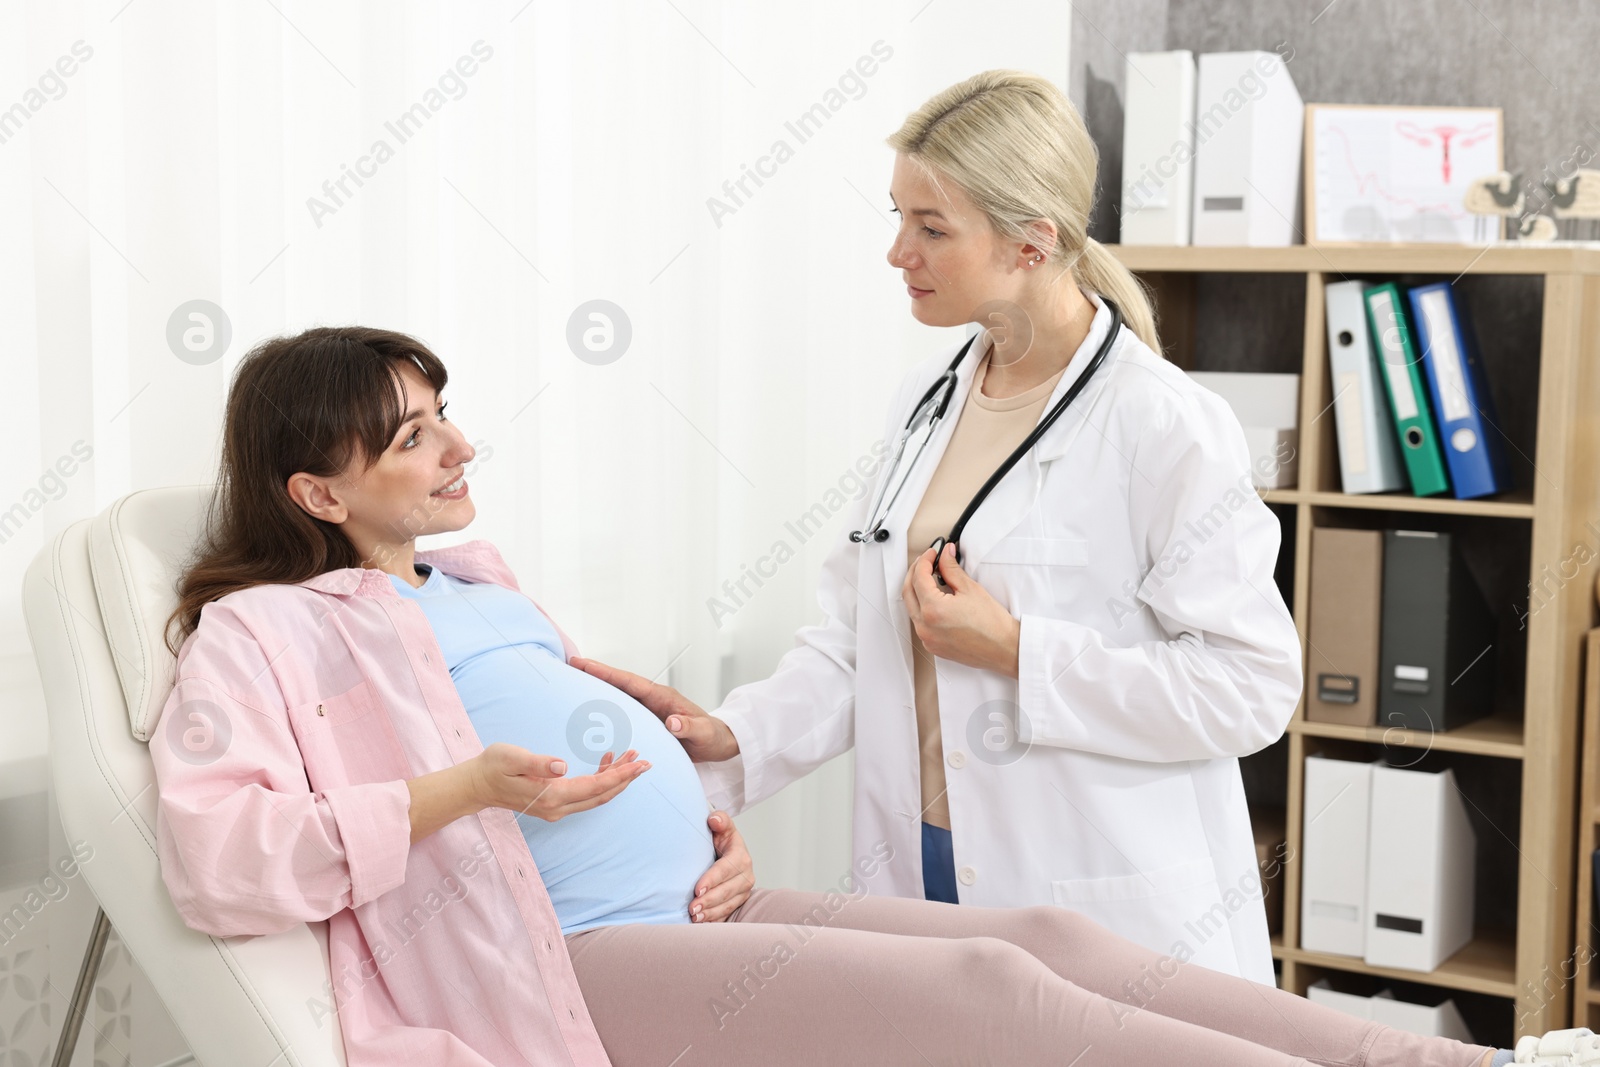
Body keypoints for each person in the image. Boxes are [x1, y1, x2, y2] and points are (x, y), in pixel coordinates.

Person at [150, 323, 1544, 1067]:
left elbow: (607, 753)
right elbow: (224, 862)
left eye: (446, 407)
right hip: (565, 968)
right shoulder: (269, 633)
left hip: (696, 899)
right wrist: (467, 789)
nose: (462, 441)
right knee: (987, 982)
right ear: (318, 492)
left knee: (1049, 928)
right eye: (415, 433)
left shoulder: (475, 580)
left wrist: (711, 818)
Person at [577, 67, 1299, 985]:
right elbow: (857, 642)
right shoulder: (928, 399)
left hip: (1099, 890)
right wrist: (735, 734)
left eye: (931, 228)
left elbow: (1251, 687)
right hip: (926, 860)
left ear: (1033, 243)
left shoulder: (1163, 423)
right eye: (897, 217)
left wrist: (1016, 648)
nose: (896, 253)